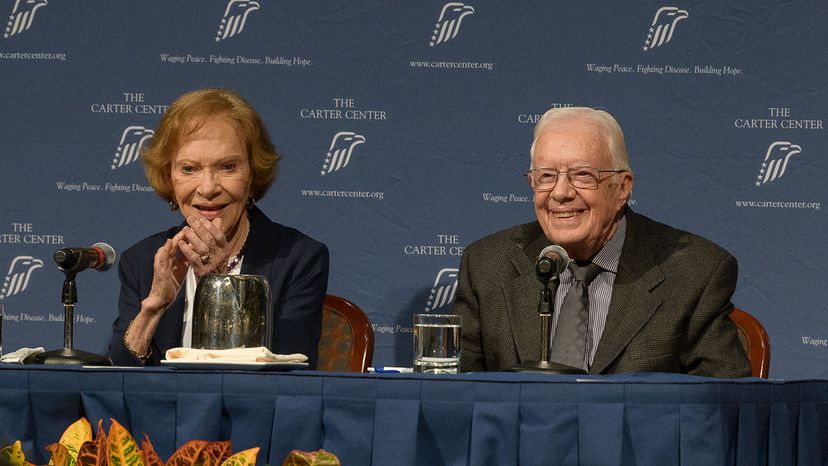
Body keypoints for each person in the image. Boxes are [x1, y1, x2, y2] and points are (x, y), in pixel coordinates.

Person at [454, 107, 751, 377]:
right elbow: (452, 394)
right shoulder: (487, 266)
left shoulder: (694, 272)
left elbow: (721, 401)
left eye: (583, 175)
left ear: (622, 188)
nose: (560, 193)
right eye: (545, 176)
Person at [107, 88, 329, 367]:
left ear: (253, 173)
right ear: (169, 177)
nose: (208, 188)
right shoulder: (141, 260)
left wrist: (219, 284)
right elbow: (117, 381)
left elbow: (286, 374)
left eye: (227, 166)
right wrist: (153, 308)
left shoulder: (299, 259)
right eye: (189, 169)